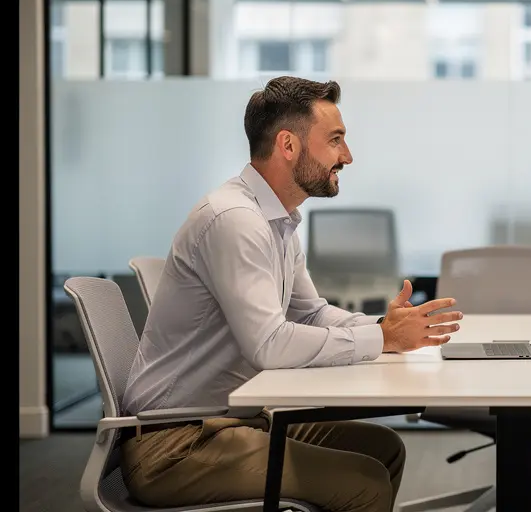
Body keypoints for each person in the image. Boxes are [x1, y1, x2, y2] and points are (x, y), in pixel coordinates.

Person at [120, 76, 463, 512]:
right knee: (365, 482)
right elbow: (269, 344)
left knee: (383, 449)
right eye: (335, 140)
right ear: (288, 145)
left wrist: (384, 326)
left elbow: (310, 313)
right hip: (176, 444)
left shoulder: (276, 219)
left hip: (234, 423)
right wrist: (382, 340)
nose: (348, 156)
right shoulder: (235, 221)